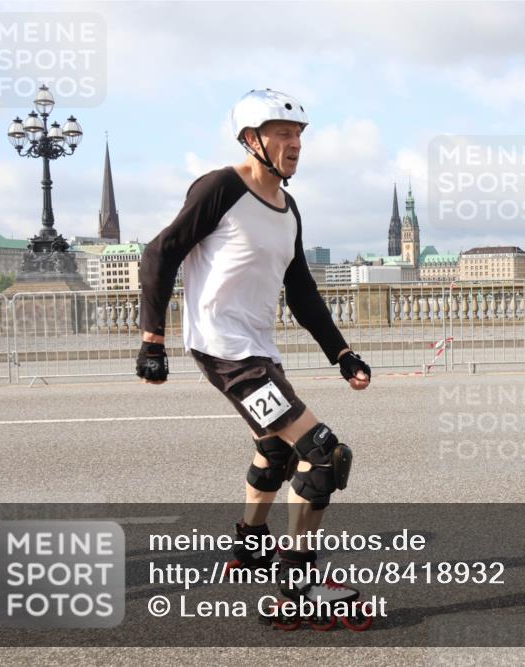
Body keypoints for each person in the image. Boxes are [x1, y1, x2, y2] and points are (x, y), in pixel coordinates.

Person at [136, 89, 374, 630]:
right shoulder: (221, 188)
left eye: (299, 135)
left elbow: (301, 288)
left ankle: (249, 545)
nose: (295, 144)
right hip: (227, 351)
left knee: (276, 449)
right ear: (251, 139)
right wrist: (152, 340)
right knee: (323, 453)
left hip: (258, 350)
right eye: (282, 134)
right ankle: (299, 583)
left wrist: (341, 353)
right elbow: (160, 252)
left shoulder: (288, 208)